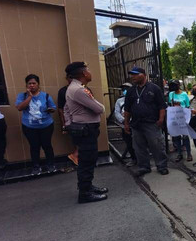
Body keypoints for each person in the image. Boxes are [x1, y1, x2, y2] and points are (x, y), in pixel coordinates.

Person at [63, 62, 107, 203]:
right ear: (83, 73)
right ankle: (85, 193)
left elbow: (66, 110)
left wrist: (70, 124)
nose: (90, 72)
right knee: (87, 161)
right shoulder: (78, 90)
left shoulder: (75, 88)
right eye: (88, 70)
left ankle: (88, 186)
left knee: (87, 160)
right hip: (85, 130)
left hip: (84, 129)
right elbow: (99, 108)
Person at [123, 67, 169, 176]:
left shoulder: (154, 88)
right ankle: (144, 167)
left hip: (151, 123)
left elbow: (162, 106)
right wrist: (126, 123)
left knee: (157, 145)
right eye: (131, 75)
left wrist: (161, 119)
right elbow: (127, 109)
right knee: (139, 147)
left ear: (143, 75)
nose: (132, 77)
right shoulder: (131, 91)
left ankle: (161, 166)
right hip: (136, 124)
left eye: (135, 74)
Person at [15, 74, 57, 175]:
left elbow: (53, 107)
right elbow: (20, 107)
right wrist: (30, 96)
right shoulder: (22, 96)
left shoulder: (45, 96)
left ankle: (51, 164)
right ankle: (36, 166)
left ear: (38, 84)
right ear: (26, 85)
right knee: (34, 146)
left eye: (34, 83)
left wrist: (50, 109)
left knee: (47, 145)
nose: (32, 85)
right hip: (29, 127)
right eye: (29, 83)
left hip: (46, 126)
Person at [168, 80, 193, 162]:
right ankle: (179, 153)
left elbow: (188, 106)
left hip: (183, 117)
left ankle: (189, 154)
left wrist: (180, 107)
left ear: (179, 85)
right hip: (174, 118)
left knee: (185, 136)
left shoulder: (184, 94)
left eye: (175, 85)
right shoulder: (171, 94)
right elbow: (169, 105)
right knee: (176, 137)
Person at [114, 82, 137, 166]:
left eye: (127, 89)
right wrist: (124, 121)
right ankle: (134, 158)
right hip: (126, 125)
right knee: (129, 142)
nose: (125, 91)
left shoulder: (136, 98)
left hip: (136, 123)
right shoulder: (119, 101)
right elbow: (117, 113)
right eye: (123, 89)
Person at [58, 75, 78, 165]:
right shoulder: (63, 91)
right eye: (70, 77)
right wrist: (64, 124)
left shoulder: (84, 89)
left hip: (84, 120)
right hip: (71, 120)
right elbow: (61, 109)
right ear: (66, 78)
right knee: (75, 139)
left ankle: (78, 156)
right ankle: (76, 156)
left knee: (85, 141)